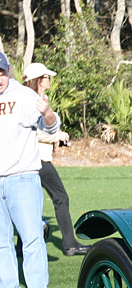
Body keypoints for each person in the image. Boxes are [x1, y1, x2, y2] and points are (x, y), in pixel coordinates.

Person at [0, 51, 61, 288]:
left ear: (8, 71)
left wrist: (47, 112)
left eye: (1, 72)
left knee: (31, 239)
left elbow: (50, 126)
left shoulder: (24, 96)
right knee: (1, 241)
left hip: (22, 178)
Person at [22, 62, 88, 257]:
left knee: (31, 201)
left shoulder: (40, 99)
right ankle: (70, 244)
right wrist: (56, 136)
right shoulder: (33, 100)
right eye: (46, 77)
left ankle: (20, 246)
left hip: (36, 158)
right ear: (38, 80)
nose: (49, 80)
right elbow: (31, 132)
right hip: (38, 159)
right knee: (60, 197)